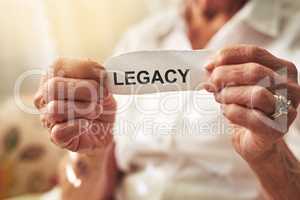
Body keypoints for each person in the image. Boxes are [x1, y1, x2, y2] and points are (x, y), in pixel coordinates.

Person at [34, 0, 300, 199]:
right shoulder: (142, 36)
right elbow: (83, 186)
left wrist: (269, 155)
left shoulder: (292, 38)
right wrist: (93, 155)